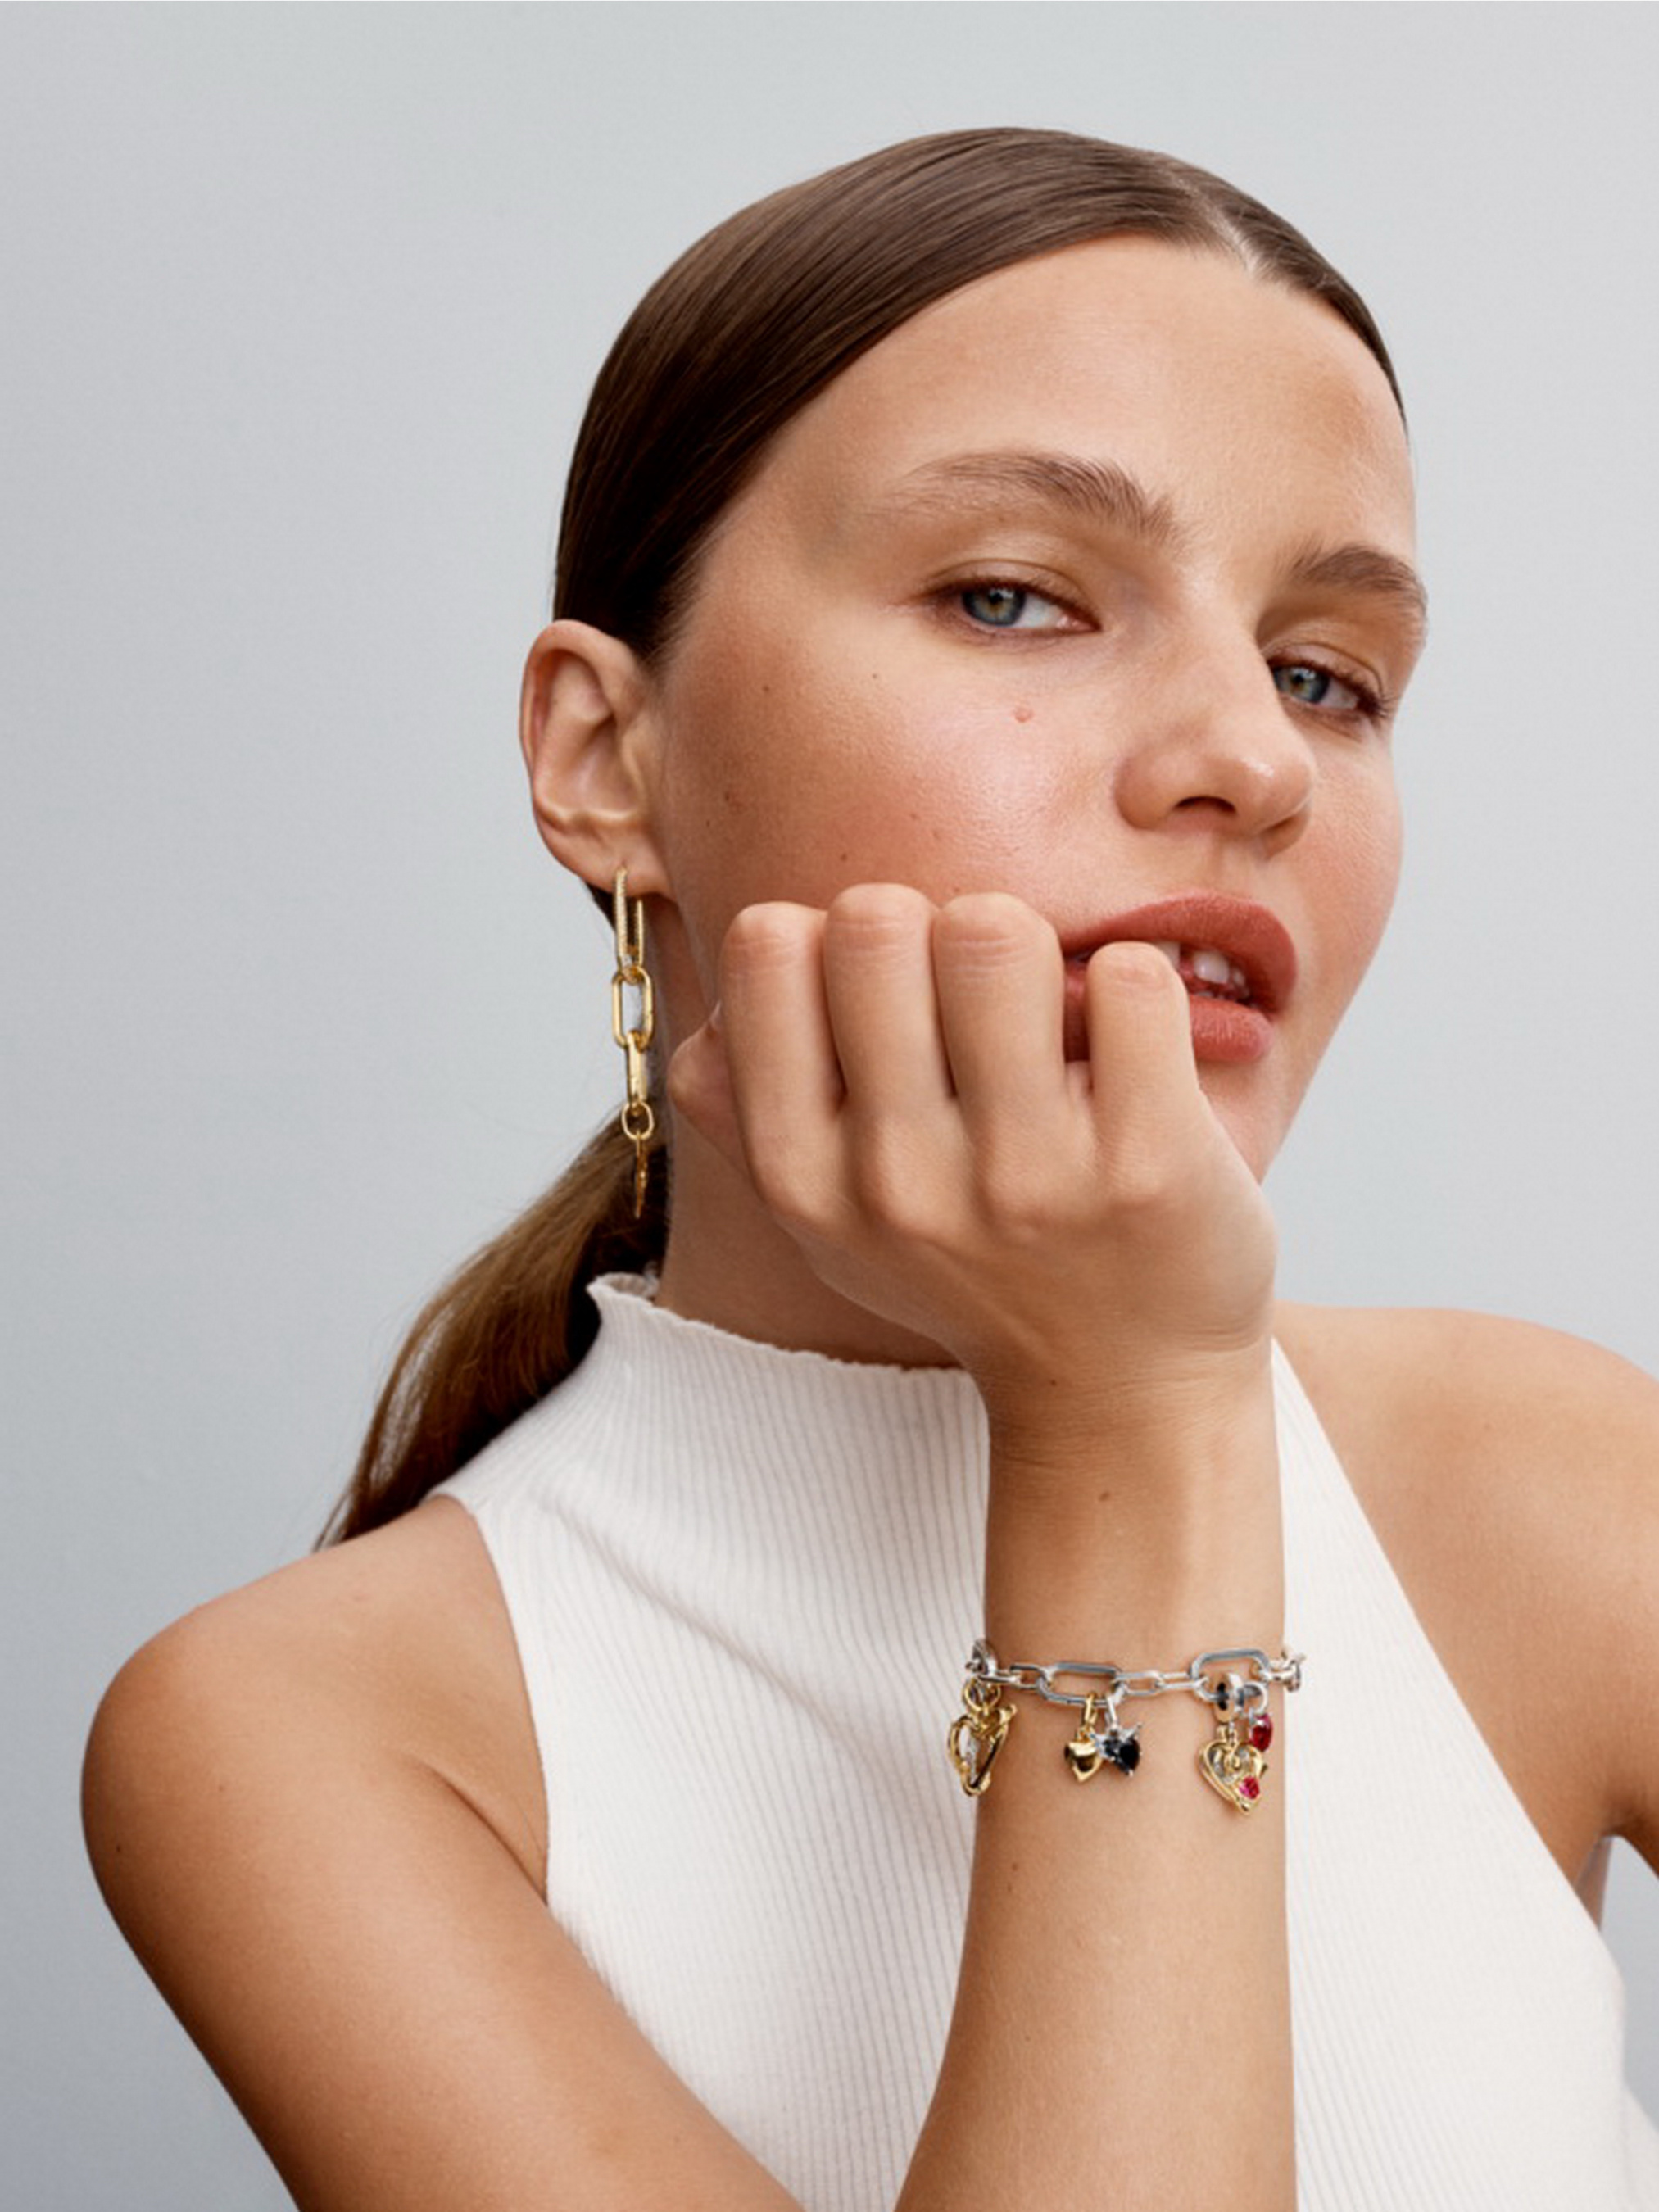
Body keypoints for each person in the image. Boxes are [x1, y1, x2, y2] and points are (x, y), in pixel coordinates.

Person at [83, 129, 1659, 2211]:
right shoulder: (319, 1737)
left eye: (1324, 676)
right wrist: (1127, 1419)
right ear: (604, 758)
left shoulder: (1546, 1480)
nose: (1252, 757)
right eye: (1009, 597)